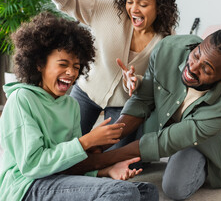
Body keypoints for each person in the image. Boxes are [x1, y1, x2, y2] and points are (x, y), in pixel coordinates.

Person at [58, 25, 221, 200]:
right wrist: (104, 142)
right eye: (197, 54)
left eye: (206, 70)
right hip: (163, 118)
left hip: (193, 138)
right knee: (116, 155)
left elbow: (164, 142)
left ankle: (216, 144)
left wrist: (97, 161)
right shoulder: (169, 48)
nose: (193, 67)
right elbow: (143, 100)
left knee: (175, 188)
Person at [0, 12, 158, 201]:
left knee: (147, 191)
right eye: (63, 64)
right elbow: (33, 165)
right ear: (39, 64)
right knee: (123, 193)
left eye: (76, 66)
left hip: (57, 180)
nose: (71, 72)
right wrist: (86, 142)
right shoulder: (22, 100)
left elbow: (70, 165)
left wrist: (106, 172)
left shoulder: (70, 105)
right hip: (26, 186)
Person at [24, 0, 179, 138]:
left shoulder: (167, 38)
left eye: (143, 4)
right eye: (129, 1)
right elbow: (71, 1)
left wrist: (138, 82)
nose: (134, 9)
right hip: (87, 91)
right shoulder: (108, 9)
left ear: (160, 6)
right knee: (65, 143)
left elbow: (159, 81)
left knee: (115, 157)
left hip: (125, 104)